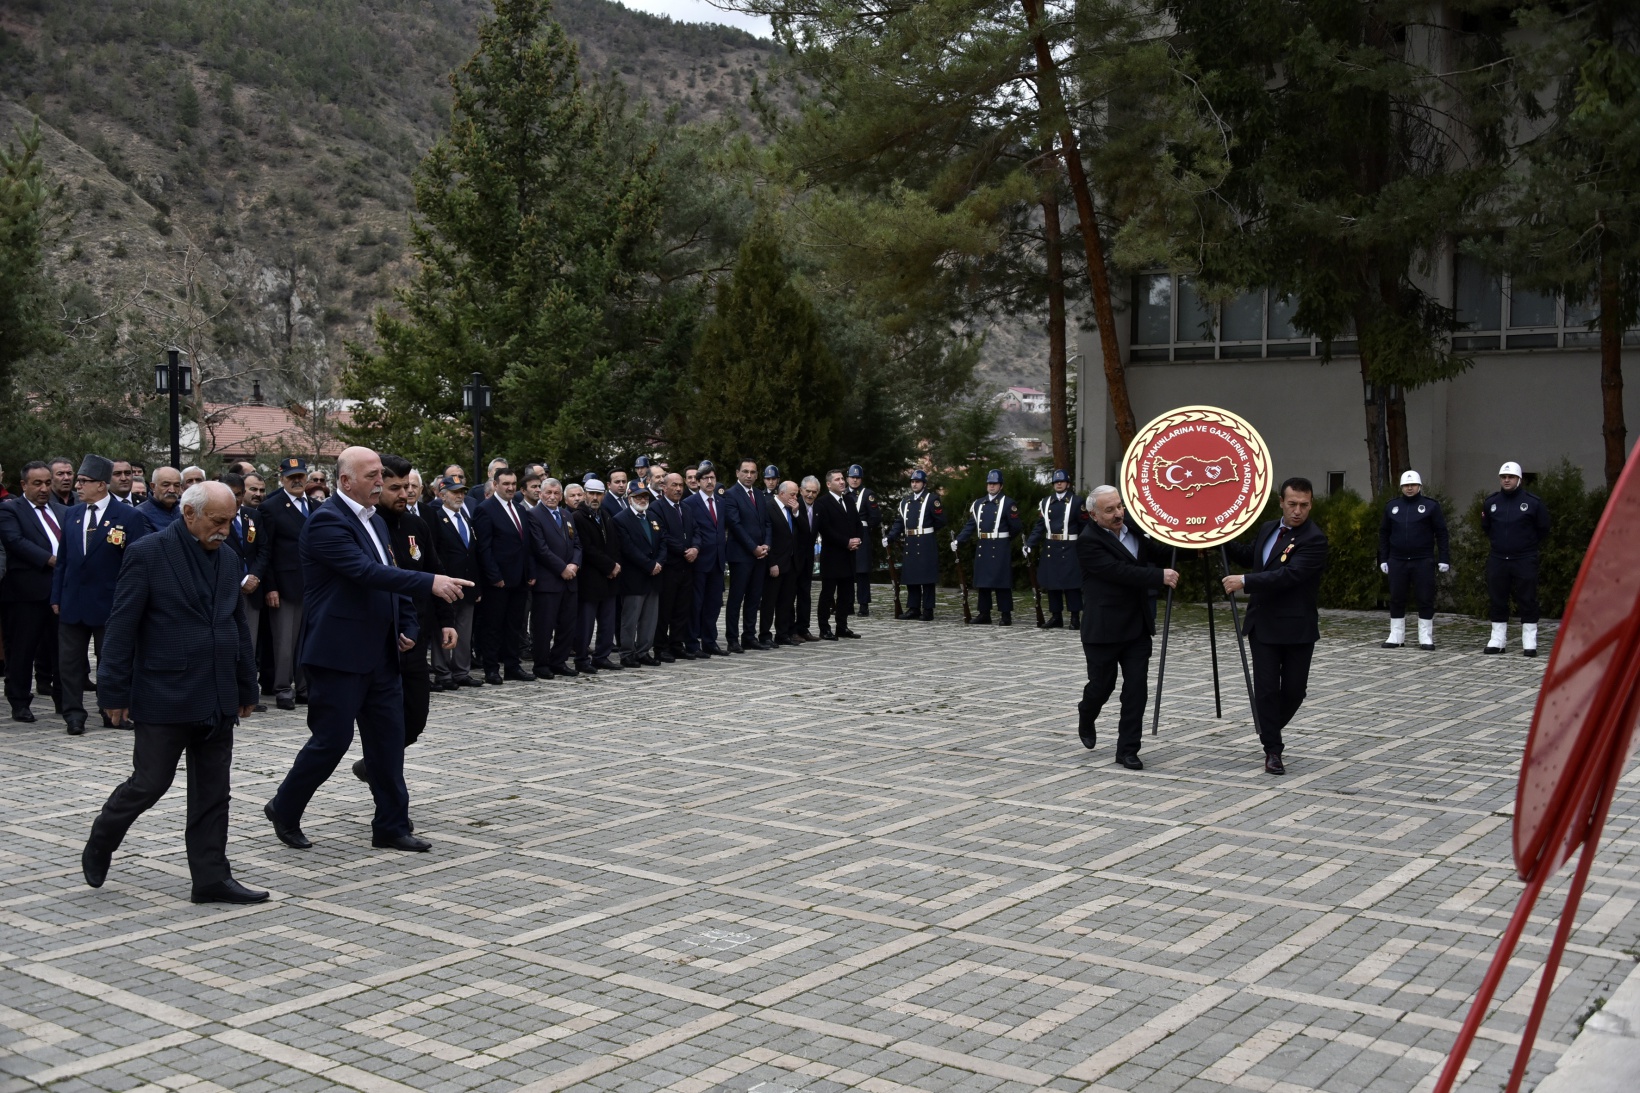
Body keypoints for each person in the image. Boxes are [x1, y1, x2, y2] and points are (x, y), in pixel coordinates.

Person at [263, 446, 472, 854]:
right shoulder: (327, 521)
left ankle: (391, 825)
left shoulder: (374, 520)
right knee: (332, 741)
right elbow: (364, 572)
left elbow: (392, 576)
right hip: (338, 653)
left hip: (381, 651)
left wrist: (408, 623)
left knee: (388, 742)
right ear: (345, 481)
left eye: (382, 475)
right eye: (373, 475)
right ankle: (284, 807)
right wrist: (429, 582)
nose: (381, 482)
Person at [81, 481, 265, 904]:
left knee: (214, 792)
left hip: (217, 693)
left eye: (230, 521)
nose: (225, 530)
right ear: (189, 514)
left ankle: (211, 878)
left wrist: (246, 684)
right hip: (164, 692)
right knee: (150, 783)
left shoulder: (229, 557)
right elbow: (121, 625)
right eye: (217, 521)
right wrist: (113, 693)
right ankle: (103, 836)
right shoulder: (147, 553)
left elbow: (236, 624)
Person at [352, 454, 457, 781]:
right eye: (395, 488)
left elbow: (434, 572)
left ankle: (374, 766)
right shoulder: (368, 527)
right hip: (381, 639)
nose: (404, 494)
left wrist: (447, 620)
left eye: (408, 487)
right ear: (378, 486)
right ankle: (386, 786)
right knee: (381, 722)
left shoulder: (417, 525)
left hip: (415, 637)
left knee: (415, 719)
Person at [1223, 477, 1329, 775]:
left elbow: (1289, 575)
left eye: (1304, 505)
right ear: (1281, 502)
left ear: (1311, 504)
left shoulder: (1314, 539)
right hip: (1264, 626)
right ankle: (1272, 749)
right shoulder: (1269, 528)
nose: (1297, 511)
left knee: (1294, 691)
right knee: (1267, 690)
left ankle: (1267, 726)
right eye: (1292, 504)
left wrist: (1245, 581)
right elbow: (1252, 556)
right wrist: (1220, 539)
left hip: (1297, 629)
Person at [1076, 486, 1178, 770]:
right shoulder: (1088, 541)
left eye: (1119, 506)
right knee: (1102, 686)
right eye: (1109, 510)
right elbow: (1117, 572)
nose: (1118, 513)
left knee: (1136, 689)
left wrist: (1195, 545)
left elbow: (1161, 551)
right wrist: (1158, 576)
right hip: (1103, 629)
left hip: (1136, 626)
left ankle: (1128, 750)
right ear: (1094, 515)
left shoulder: (1133, 527)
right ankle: (1086, 713)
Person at [52, 456, 152, 735]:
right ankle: (73, 715)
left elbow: (136, 564)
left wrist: (131, 601)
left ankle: (112, 710)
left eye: (83, 482)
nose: (77, 486)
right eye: (78, 481)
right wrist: (56, 596)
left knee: (112, 661)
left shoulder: (129, 516)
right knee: (69, 663)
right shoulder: (72, 514)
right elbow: (63, 561)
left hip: (111, 603)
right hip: (73, 602)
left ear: (100, 484)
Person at [0, 462, 61, 722]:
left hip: (60, 592)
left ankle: (65, 701)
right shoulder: (10, 510)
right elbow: (15, 541)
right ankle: (19, 701)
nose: (44, 488)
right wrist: (52, 560)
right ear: (24, 485)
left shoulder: (62, 510)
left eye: (47, 483)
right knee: (22, 650)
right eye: (37, 484)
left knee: (62, 651)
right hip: (25, 594)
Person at [259, 458, 314, 710]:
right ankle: (283, 688)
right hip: (285, 585)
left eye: (300, 476)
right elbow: (266, 550)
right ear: (281, 479)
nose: (297, 481)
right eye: (291, 477)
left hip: (313, 585)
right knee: (284, 642)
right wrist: (270, 586)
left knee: (308, 639)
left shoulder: (315, 506)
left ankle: (304, 688)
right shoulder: (271, 507)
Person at [1482, 460, 1551, 656]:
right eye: (1503, 477)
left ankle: (1529, 641)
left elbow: (1543, 528)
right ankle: (1497, 640)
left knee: (1527, 598)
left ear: (1519, 479)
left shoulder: (1533, 503)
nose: (1507, 480)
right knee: (1498, 598)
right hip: (1498, 558)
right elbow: (1486, 528)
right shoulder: (1491, 503)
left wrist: (1526, 545)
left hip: (1524, 558)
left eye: (1511, 477)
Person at [473, 468, 534, 683]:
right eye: (506, 484)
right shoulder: (485, 509)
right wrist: (494, 576)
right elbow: (484, 548)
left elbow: (525, 544)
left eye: (513, 484)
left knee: (514, 626)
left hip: (519, 578)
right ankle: (491, 668)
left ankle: (512, 666)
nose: (510, 488)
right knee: (493, 626)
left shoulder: (519, 509)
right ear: (495, 485)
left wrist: (530, 571)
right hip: (498, 581)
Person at [1378, 469, 1450, 651]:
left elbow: (1441, 533)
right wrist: (1383, 558)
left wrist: (1444, 558)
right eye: (1406, 485)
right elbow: (1384, 533)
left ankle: (1425, 637)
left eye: (1413, 485)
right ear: (1401, 487)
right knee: (1396, 597)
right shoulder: (1392, 507)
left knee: (1425, 598)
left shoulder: (1431, 506)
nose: (1409, 488)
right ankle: (1396, 636)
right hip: (1397, 560)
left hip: (1423, 560)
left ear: (1419, 486)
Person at [427, 476, 483, 689]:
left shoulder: (466, 518)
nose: (460, 496)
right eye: (455, 492)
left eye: (462, 492)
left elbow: (473, 554)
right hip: (446, 585)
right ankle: (443, 673)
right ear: (442, 495)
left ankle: (461, 671)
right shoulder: (436, 519)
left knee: (464, 631)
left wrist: (477, 585)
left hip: (467, 585)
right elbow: (434, 554)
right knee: (444, 628)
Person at [527, 477, 582, 677]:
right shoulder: (533, 515)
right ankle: (541, 664)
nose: (552, 496)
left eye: (556, 493)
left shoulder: (567, 515)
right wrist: (562, 568)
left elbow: (577, 543)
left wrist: (575, 564)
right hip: (548, 581)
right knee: (543, 626)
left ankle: (559, 661)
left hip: (570, 580)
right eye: (548, 493)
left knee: (567, 625)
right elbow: (540, 549)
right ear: (540, 494)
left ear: (561, 496)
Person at [954, 470, 1022, 625]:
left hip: (1000, 545)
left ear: (1001, 486)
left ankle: (1005, 614)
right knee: (983, 582)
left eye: (995, 484)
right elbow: (971, 525)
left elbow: (1016, 527)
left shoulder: (1008, 503)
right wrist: (959, 540)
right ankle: (984, 613)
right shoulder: (979, 504)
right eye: (990, 483)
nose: (992, 486)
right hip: (984, 545)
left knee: (1002, 582)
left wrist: (1004, 539)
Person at [221, 473, 268, 695]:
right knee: (228, 642)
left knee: (249, 641)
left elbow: (264, 548)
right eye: (230, 494)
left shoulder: (253, 516)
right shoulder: (216, 517)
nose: (235, 499)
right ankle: (229, 690)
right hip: (227, 587)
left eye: (239, 494)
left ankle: (248, 691)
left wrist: (254, 576)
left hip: (253, 589)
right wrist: (242, 578)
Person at [1025, 469, 1088, 628]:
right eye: (1056, 481)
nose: (1059, 484)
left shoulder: (1077, 502)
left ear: (1068, 484)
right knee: (1052, 583)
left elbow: (1084, 527)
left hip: (1070, 546)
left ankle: (1075, 617)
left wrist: (1086, 547)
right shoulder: (1046, 502)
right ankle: (1056, 616)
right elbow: (1039, 527)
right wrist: (1029, 544)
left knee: (1072, 584)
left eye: (1062, 481)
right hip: (1051, 547)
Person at [572, 481, 622, 672]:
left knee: (607, 622)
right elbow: (587, 548)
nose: (595, 497)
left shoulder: (605, 514)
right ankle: (582, 659)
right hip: (590, 578)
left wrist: (615, 566)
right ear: (585, 494)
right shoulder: (578, 517)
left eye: (599, 494)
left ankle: (602, 656)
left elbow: (614, 544)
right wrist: (610, 566)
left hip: (609, 579)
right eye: (591, 493)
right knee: (585, 623)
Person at [613, 483, 664, 667]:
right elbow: (628, 548)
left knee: (650, 619)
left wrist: (659, 562)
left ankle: (643, 651)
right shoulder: (621, 519)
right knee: (630, 618)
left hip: (654, 576)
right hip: (634, 577)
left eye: (645, 497)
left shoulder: (653, 517)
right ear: (630, 499)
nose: (642, 500)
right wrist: (649, 565)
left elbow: (663, 541)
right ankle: (627, 653)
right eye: (638, 497)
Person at [724, 458, 771, 653]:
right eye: (745, 471)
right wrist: (753, 548)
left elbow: (767, 523)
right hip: (741, 555)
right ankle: (732, 638)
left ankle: (749, 636)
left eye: (753, 472)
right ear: (737, 473)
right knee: (737, 598)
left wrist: (766, 544)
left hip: (760, 555)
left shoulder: (759, 494)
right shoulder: (730, 494)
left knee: (754, 597)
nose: (749, 475)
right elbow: (735, 525)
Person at [885, 469, 945, 621]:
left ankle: (928, 609)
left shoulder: (932, 499)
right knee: (911, 576)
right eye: (912, 481)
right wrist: (890, 537)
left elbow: (940, 521)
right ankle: (913, 608)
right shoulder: (906, 501)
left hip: (925, 541)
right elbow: (899, 523)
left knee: (927, 578)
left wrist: (926, 531)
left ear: (924, 484)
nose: (914, 484)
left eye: (917, 481)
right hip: (910, 542)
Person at [683, 462, 728, 656]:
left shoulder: (720, 502)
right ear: (698, 481)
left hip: (718, 560)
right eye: (705, 478)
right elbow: (691, 530)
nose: (710, 482)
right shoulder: (690, 503)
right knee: (696, 604)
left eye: (712, 478)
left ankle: (710, 641)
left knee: (714, 603)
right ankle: (692, 643)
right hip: (699, 560)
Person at [652, 472, 697, 661]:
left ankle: (677, 644)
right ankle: (661, 647)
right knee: (665, 609)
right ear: (664, 487)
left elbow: (696, 530)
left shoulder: (686, 507)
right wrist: (685, 550)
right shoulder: (656, 508)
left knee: (682, 608)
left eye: (680, 485)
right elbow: (662, 535)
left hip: (687, 566)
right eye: (674, 485)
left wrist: (696, 548)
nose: (678, 489)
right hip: (669, 566)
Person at [815, 469, 862, 640]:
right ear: (829, 484)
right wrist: (845, 542)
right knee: (828, 594)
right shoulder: (823, 503)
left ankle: (842, 626)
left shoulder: (848, 500)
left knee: (846, 594)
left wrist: (858, 539)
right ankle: (824, 628)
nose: (842, 482)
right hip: (833, 556)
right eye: (837, 479)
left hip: (849, 556)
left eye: (842, 478)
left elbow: (857, 523)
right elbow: (825, 529)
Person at [759, 481, 801, 645]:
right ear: (782, 493)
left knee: (786, 601)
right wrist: (772, 562)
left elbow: (800, 531)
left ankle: (782, 634)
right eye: (792, 494)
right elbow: (767, 537)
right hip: (775, 562)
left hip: (791, 562)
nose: (795, 498)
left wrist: (796, 513)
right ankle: (765, 635)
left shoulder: (792, 509)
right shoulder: (769, 507)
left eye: (796, 494)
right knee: (769, 602)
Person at [846, 465, 881, 616]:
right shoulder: (843, 494)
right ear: (847, 478)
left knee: (862, 570)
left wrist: (864, 529)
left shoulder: (868, 494)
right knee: (846, 571)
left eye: (857, 477)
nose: (854, 480)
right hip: (845, 534)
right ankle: (847, 604)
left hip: (862, 533)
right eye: (852, 477)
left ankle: (863, 604)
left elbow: (875, 517)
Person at [793, 477, 822, 640]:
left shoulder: (819, 507)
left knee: (805, 593)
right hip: (793, 556)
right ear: (801, 490)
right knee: (790, 594)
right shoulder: (794, 505)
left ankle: (803, 628)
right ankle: (790, 630)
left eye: (814, 492)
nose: (810, 495)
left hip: (808, 557)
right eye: (807, 491)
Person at [137, 466, 183, 531]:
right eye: (166, 485)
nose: (172, 490)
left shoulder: (185, 508)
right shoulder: (141, 513)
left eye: (176, 485)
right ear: (153, 486)